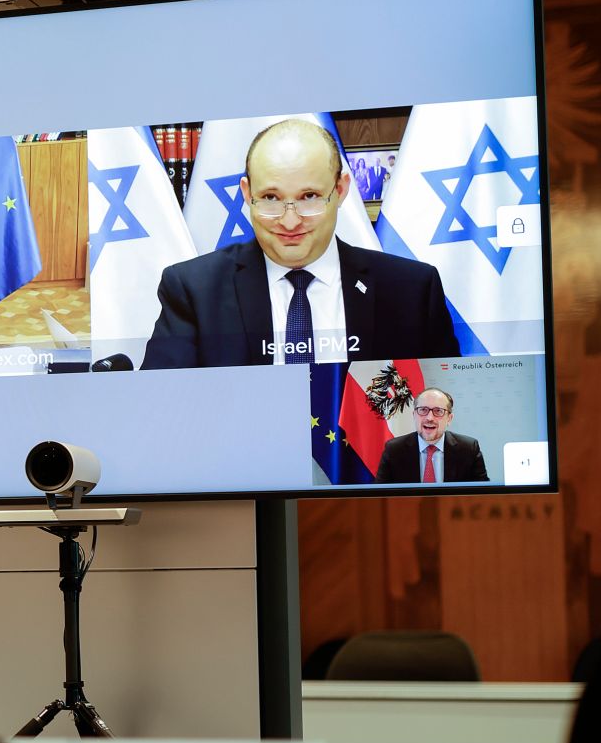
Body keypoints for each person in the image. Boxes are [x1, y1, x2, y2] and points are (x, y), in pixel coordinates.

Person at [141, 119, 459, 369]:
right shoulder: (193, 290)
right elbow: (165, 409)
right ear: (246, 194)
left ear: (341, 189)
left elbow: (441, 406)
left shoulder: (411, 290)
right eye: (270, 198)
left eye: (309, 197)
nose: (290, 222)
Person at [374, 387, 491, 483]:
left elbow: (482, 496)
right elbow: (379, 498)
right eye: (423, 410)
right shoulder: (394, 450)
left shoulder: (469, 449)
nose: (429, 418)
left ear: (449, 418)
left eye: (438, 411)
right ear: (414, 415)